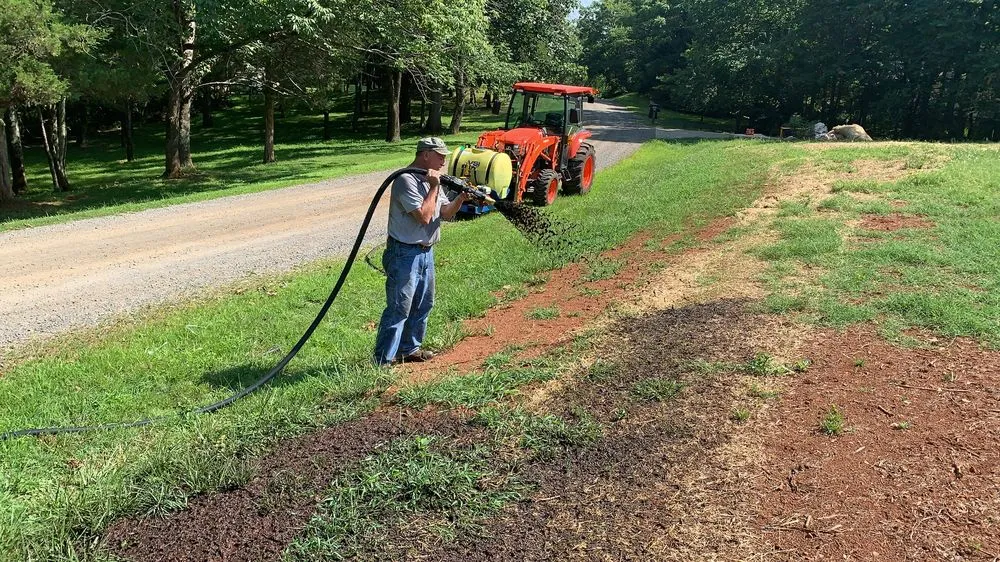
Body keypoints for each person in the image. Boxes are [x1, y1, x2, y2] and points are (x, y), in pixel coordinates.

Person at [373, 137, 468, 365]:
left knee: (423, 304)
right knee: (399, 307)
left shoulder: (431, 179)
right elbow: (424, 217)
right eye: (440, 156)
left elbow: (445, 213)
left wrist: (462, 197)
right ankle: (383, 360)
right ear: (425, 154)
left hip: (426, 253)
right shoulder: (406, 180)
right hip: (404, 253)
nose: (444, 161)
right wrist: (434, 187)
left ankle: (409, 349)